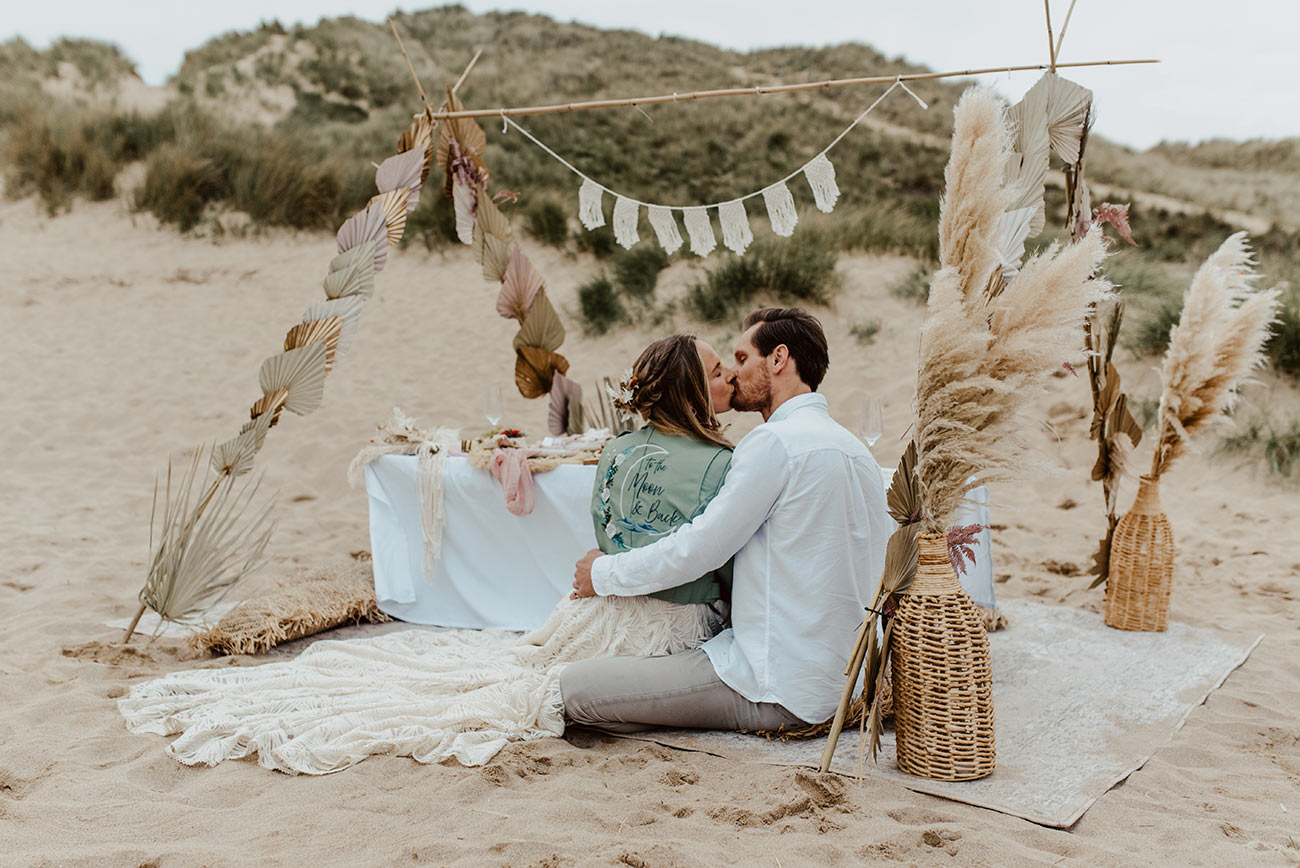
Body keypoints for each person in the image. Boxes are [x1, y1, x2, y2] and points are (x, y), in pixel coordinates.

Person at [119, 334, 743, 773]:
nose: (728, 380)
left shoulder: (615, 452)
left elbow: (610, 535)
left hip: (598, 609)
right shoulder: (724, 464)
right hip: (671, 624)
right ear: (690, 390)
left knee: (517, 671)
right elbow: (712, 564)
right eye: (716, 372)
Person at [563, 307, 891, 733]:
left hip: (777, 689)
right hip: (849, 687)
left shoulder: (773, 443)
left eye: (741, 358)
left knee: (575, 690)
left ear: (777, 359)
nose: (733, 375)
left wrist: (603, 574)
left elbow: (700, 548)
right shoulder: (856, 450)